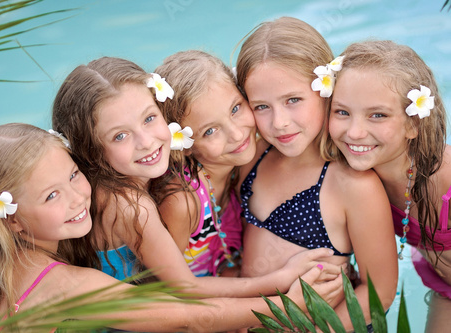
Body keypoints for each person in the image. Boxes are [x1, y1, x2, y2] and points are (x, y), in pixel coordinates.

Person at [0, 123, 342, 333]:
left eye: (73, 175)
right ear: (13, 219)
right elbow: (193, 319)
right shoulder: (65, 285)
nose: (76, 198)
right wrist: (290, 304)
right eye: (51, 196)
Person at [51, 56, 344, 299]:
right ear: (184, 136)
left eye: (149, 118)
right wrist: (279, 283)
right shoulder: (162, 202)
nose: (146, 142)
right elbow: (174, 290)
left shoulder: (236, 162)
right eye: (120, 136)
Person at [234, 16, 398, 330]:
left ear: (325, 90)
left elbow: (380, 294)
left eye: (293, 100)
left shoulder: (351, 184)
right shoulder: (254, 155)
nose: (279, 122)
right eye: (261, 106)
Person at [326, 39, 451, 333]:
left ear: (414, 124)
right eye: (342, 112)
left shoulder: (445, 178)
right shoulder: (359, 184)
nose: (355, 132)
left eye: (378, 115)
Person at [152, 49, 255, 277]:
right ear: (185, 144)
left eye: (235, 109)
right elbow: (167, 287)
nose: (237, 134)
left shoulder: (243, 164)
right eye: (210, 131)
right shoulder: (183, 201)